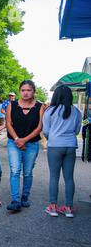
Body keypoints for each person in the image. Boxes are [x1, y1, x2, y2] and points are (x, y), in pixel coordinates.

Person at [6, 80, 45, 212]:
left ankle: (25, 197)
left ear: (33, 91)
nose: (25, 93)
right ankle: (15, 201)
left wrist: (24, 140)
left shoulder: (40, 107)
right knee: (15, 170)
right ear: (19, 91)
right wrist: (17, 139)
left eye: (28, 90)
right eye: (23, 90)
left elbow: (40, 127)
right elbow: (8, 124)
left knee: (27, 172)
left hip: (32, 144)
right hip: (13, 143)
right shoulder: (12, 105)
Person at [43, 85, 82, 218]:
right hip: (70, 146)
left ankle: (53, 207)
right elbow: (77, 131)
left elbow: (46, 131)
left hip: (54, 146)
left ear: (56, 96)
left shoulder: (50, 111)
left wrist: (53, 138)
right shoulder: (76, 111)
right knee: (69, 178)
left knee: (54, 177)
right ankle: (68, 208)